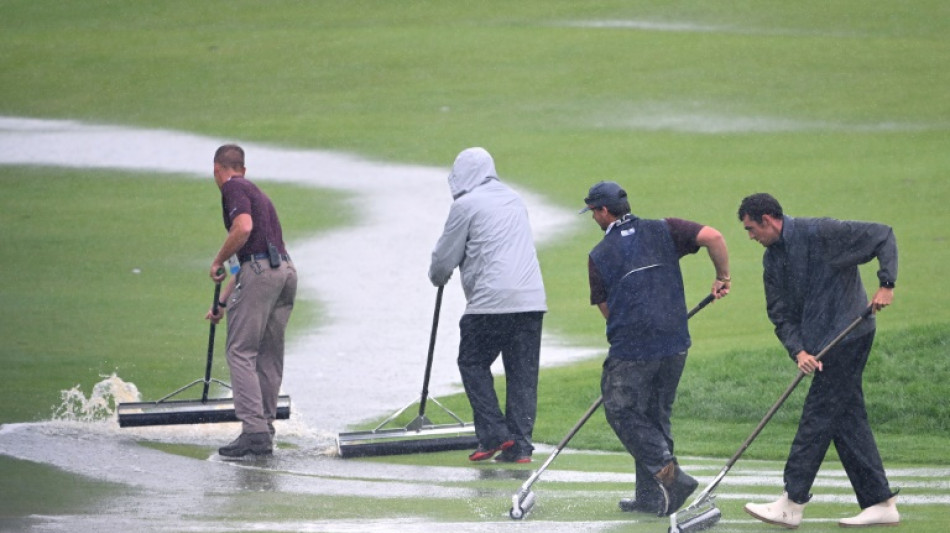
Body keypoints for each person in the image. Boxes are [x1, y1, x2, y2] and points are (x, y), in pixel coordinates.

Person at [738, 192, 899, 528]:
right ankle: (879, 501)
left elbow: (883, 234)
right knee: (846, 420)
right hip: (818, 348)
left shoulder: (823, 233)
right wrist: (798, 351)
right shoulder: (772, 261)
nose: (751, 237)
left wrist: (886, 283)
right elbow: (779, 314)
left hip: (849, 336)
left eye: (752, 229)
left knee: (817, 417)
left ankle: (792, 501)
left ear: (769, 220)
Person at [582, 181, 730, 517]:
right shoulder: (665, 229)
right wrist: (723, 276)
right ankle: (651, 497)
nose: (593, 217)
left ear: (604, 211)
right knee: (654, 415)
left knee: (620, 409)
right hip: (675, 342)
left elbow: (606, 309)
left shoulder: (598, 255)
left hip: (633, 347)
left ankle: (669, 474)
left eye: (593, 211)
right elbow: (714, 237)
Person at [428, 147, 547, 464]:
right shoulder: (514, 198)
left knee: (472, 363)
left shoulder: (465, 205)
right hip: (531, 301)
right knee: (523, 374)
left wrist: (437, 276)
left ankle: (495, 435)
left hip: (490, 304)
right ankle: (520, 446)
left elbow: (443, 259)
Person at [206, 144, 298, 458]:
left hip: (261, 273)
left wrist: (217, 260)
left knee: (240, 351)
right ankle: (265, 430)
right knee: (269, 355)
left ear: (217, 169)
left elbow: (242, 229)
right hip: (285, 272)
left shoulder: (232, 188)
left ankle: (254, 432)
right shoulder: (258, 193)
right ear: (243, 168)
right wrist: (221, 303)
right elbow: (250, 260)